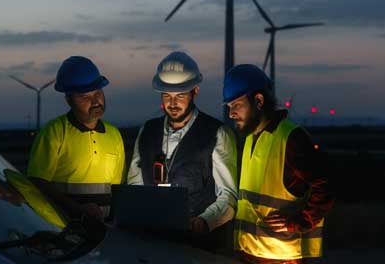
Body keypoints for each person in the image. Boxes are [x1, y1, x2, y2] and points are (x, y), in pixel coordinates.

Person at [223, 64, 334, 264]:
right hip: (251, 256)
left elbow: (326, 184)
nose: (231, 113)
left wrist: (300, 221)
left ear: (259, 101)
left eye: (236, 105)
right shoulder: (250, 139)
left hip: (278, 263)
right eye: (229, 106)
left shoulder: (290, 138)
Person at [127, 51, 237, 242]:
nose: (172, 103)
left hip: (199, 248)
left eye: (180, 95)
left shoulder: (217, 133)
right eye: (167, 96)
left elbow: (227, 197)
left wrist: (204, 221)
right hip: (152, 242)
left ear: (195, 91)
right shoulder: (147, 131)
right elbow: (134, 185)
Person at [27, 56, 125, 223]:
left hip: (106, 230)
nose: (95, 102)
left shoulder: (114, 134)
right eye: (85, 97)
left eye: (98, 93)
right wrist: (76, 209)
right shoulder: (54, 132)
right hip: (65, 228)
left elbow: (118, 189)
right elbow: (37, 183)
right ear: (69, 100)